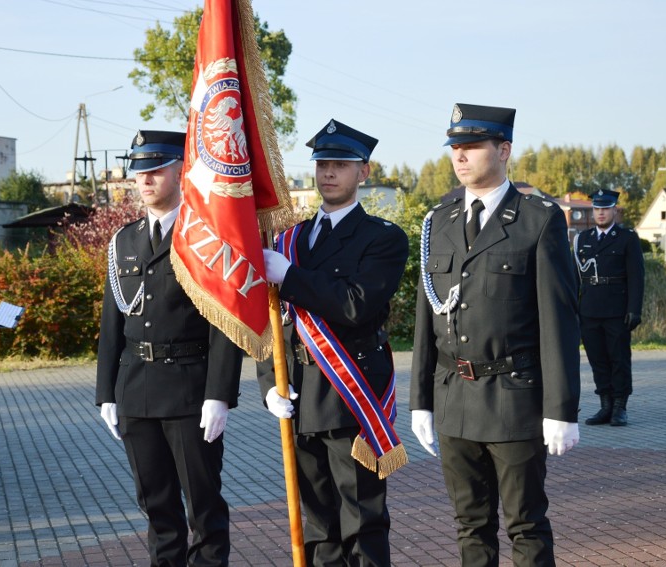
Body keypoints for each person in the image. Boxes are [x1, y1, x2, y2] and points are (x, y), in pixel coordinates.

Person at [409, 103, 581, 567]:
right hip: (453, 400)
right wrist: (420, 399)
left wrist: (560, 410)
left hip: (513, 399)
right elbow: (426, 315)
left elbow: (559, 321)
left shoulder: (537, 220)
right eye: (455, 148)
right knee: (470, 526)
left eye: (471, 147)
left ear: (503, 150)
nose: (459, 157)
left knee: (525, 525)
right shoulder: (439, 220)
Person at [260, 119, 409, 566]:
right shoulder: (292, 238)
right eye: (323, 163)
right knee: (319, 525)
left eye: (340, 164)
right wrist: (269, 380)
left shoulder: (383, 238)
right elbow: (274, 321)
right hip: (299, 394)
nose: (328, 173)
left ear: (363, 173)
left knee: (361, 522)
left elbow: (355, 305)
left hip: (350, 395)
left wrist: (289, 275)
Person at [95, 130, 243, 567]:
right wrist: (106, 391)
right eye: (139, 171)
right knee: (156, 507)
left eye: (156, 169)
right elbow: (111, 323)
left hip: (190, 391)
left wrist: (219, 394)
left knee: (204, 507)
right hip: (137, 389)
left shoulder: (206, 236)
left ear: (182, 170)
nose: (145, 179)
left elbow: (224, 323)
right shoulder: (124, 241)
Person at [574, 189, 645, 426]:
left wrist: (634, 309)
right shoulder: (582, 239)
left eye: (605, 208)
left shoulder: (627, 238)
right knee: (597, 359)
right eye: (597, 208)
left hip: (617, 309)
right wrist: (574, 310)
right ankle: (605, 406)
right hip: (590, 309)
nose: (601, 213)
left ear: (615, 210)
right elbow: (575, 278)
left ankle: (619, 407)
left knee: (619, 359)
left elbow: (637, 277)